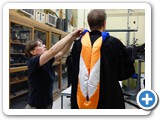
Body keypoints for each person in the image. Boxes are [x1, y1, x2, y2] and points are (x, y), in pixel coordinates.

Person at [71, 9, 135, 109]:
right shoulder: (114, 43)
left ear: (89, 24)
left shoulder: (78, 44)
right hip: (109, 97)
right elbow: (127, 72)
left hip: (82, 98)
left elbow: (72, 70)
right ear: (104, 23)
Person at [25, 28, 83, 109]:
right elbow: (53, 51)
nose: (44, 45)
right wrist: (71, 34)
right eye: (40, 45)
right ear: (33, 52)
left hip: (47, 103)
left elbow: (62, 52)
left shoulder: (46, 61)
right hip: (36, 107)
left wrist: (72, 38)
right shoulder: (33, 62)